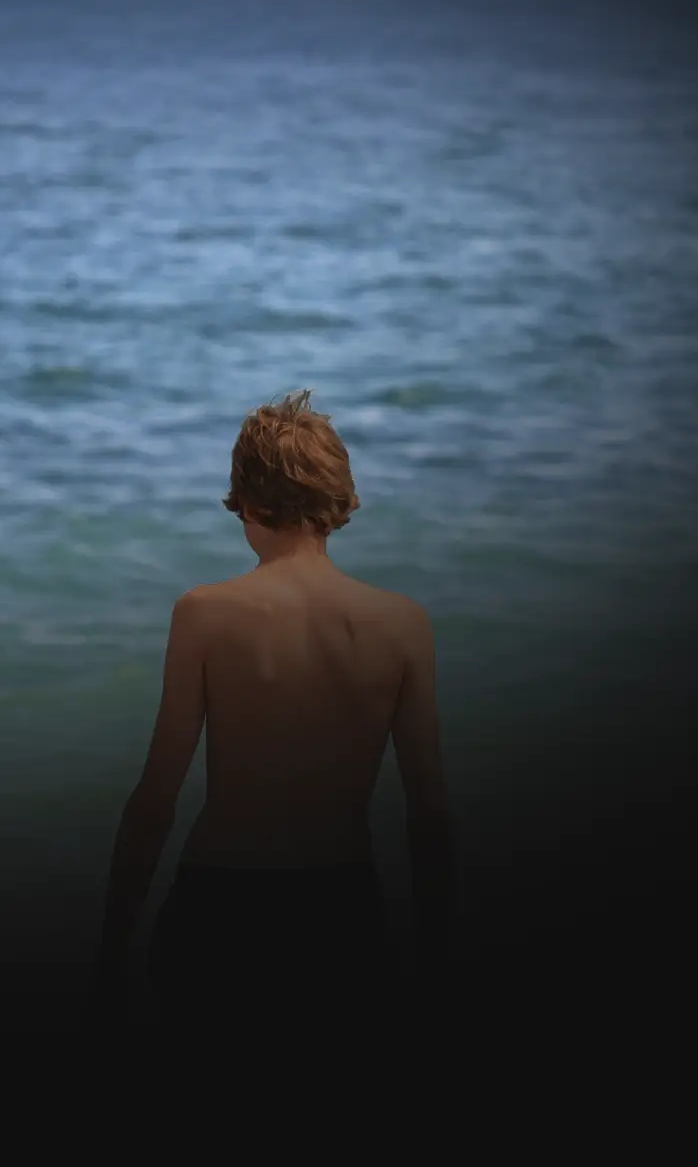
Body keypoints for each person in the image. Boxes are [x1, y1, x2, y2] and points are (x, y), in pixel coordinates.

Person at [87, 389, 455, 1046]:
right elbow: (428, 812)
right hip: (343, 908)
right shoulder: (402, 626)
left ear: (246, 501)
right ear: (337, 501)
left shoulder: (204, 613)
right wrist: (438, 954)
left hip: (221, 904)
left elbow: (156, 798)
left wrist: (113, 944)